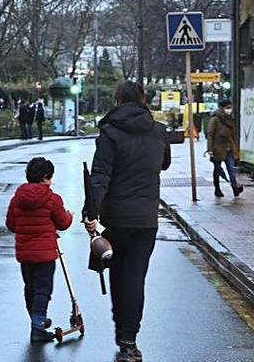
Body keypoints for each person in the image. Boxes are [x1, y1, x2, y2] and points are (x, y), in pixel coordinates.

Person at [82, 81, 171, 362]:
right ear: (144, 99)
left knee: (119, 275)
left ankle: (123, 332)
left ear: (118, 101)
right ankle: (129, 339)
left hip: (118, 218)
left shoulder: (110, 132)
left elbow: (101, 175)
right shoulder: (157, 131)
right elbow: (165, 163)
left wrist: (91, 211)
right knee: (135, 277)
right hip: (146, 219)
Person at [5, 157, 74, 343]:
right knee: (43, 289)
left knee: (30, 288)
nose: (51, 182)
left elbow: (11, 224)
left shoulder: (17, 198)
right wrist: (70, 215)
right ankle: (37, 327)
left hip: (25, 253)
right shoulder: (52, 199)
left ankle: (37, 321)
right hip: (45, 253)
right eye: (50, 177)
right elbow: (63, 223)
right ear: (45, 177)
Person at [206, 100, 244, 198]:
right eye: (227, 107)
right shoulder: (215, 119)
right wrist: (210, 149)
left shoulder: (230, 119)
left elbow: (233, 135)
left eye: (230, 107)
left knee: (231, 169)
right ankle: (217, 189)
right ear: (222, 108)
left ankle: (235, 188)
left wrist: (235, 148)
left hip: (229, 148)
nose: (229, 109)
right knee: (217, 170)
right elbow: (210, 135)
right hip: (217, 148)